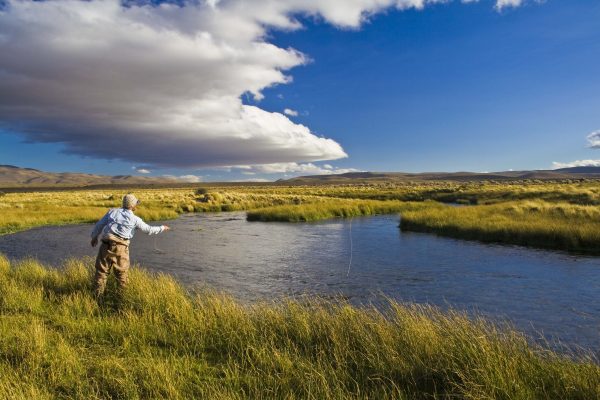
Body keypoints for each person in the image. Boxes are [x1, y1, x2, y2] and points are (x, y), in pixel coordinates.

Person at [90, 193, 170, 300]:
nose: (136, 206)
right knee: (121, 277)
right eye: (136, 204)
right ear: (132, 206)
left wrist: (94, 237)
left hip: (105, 246)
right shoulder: (135, 219)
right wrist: (162, 227)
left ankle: (97, 299)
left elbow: (99, 225)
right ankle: (121, 301)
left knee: (101, 274)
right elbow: (148, 230)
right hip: (121, 248)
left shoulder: (112, 212)